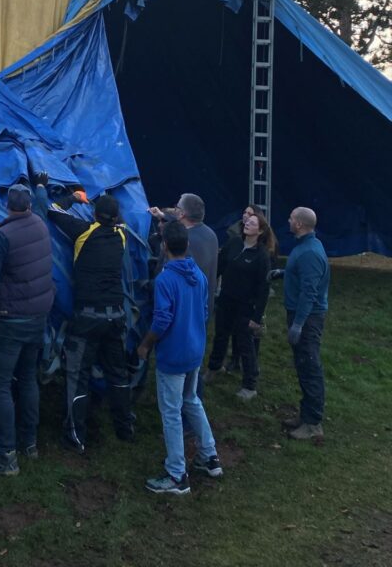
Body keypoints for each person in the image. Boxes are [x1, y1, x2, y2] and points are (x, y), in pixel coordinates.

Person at [137, 221, 222, 495]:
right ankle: (209, 456)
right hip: (195, 352)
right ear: (186, 245)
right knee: (192, 400)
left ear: (164, 246)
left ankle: (176, 474)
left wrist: (146, 344)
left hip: (173, 357)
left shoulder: (165, 280)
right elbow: (205, 311)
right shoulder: (198, 274)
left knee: (171, 413)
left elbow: (162, 319)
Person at [46, 192, 133, 452]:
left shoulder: (83, 231)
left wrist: (72, 198)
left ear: (95, 215)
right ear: (116, 217)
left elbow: (53, 210)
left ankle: (75, 436)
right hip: (116, 314)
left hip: (87, 316)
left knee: (77, 375)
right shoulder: (121, 235)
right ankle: (124, 427)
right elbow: (124, 220)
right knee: (118, 373)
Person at [0, 183, 55, 477]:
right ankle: (30, 443)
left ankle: (6, 456)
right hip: (38, 317)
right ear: (29, 206)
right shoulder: (40, 225)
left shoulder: (2, 236)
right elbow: (45, 209)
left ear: (7, 205)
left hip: (10, 321)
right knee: (27, 378)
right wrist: (43, 191)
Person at [205, 209, 275, 400]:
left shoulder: (261, 255)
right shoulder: (234, 243)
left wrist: (257, 316)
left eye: (252, 223)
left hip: (246, 305)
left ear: (260, 231)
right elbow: (219, 265)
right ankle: (214, 367)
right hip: (226, 299)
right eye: (247, 222)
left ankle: (249, 385)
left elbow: (263, 287)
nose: (247, 224)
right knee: (220, 335)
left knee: (246, 344)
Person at [282, 206, 329, 440]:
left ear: (299, 224)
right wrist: (284, 273)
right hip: (304, 315)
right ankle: (306, 414)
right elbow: (304, 276)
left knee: (310, 367)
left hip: (308, 319)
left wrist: (298, 324)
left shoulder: (309, 252)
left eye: (291, 218)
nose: (288, 220)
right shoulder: (305, 246)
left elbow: (309, 292)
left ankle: (313, 424)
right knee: (303, 365)